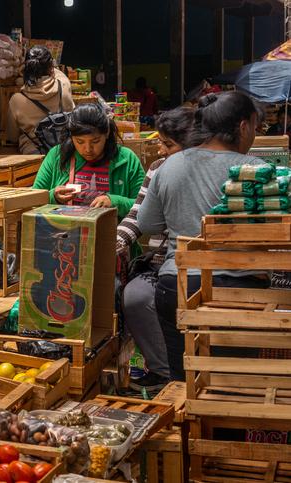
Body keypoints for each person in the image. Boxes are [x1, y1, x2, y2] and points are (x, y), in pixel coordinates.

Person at [137, 91, 269, 381]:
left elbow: (146, 223)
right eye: (256, 128)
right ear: (244, 127)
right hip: (236, 291)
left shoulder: (167, 166)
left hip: (176, 286)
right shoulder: (256, 171)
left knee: (185, 383)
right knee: (232, 386)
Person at [116, 107, 196, 392]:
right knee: (135, 298)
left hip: (193, 266)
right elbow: (138, 216)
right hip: (161, 264)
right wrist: (117, 242)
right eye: (160, 142)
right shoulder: (157, 169)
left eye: (168, 144)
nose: (160, 150)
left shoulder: (202, 171)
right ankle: (164, 371)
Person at [32, 103, 145, 220]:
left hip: (115, 235)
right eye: (80, 142)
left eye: (95, 141)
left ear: (106, 133)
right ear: (71, 137)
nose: (88, 149)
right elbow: (33, 200)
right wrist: (53, 197)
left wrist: (115, 202)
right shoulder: (57, 155)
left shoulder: (127, 159)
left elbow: (145, 206)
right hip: (64, 234)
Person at [6, 45, 74, 154]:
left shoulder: (16, 100)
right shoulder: (64, 85)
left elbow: (12, 137)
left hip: (34, 154)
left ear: (27, 68)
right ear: (51, 67)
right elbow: (57, 72)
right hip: (62, 150)